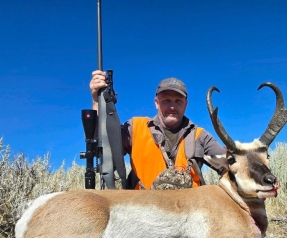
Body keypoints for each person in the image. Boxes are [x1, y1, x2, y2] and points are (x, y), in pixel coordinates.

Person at [89, 70, 225, 190]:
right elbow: (102, 144)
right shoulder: (135, 127)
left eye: (178, 101)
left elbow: (230, 164)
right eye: (166, 101)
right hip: (143, 212)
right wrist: (97, 102)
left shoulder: (200, 136)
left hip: (188, 212)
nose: (172, 107)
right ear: (156, 103)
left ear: (186, 104)